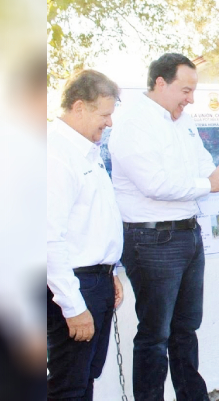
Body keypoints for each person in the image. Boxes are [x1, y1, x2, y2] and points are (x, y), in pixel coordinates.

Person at [108, 53, 219, 401]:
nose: (191, 99)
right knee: (155, 335)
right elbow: (155, 184)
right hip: (151, 240)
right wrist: (211, 184)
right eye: (186, 90)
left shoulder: (183, 120)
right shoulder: (134, 122)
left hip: (188, 234)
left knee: (186, 329)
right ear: (161, 83)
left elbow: (202, 164)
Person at [47, 69, 124, 399]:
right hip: (74, 286)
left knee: (85, 378)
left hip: (96, 280)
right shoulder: (55, 155)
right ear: (79, 107)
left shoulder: (85, 152)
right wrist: (73, 306)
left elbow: (91, 222)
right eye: (104, 114)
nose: (109, 122)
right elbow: (47, 239)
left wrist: (110, 272)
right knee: (69, 386)